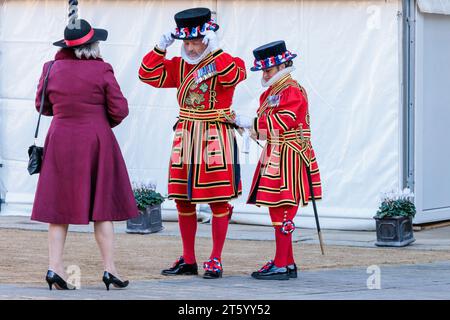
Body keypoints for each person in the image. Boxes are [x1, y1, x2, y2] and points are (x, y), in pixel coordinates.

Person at [31, 2, 138, 290]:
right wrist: (98, 121)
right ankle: (109, 269)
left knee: (58, 208)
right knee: (101, 207)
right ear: (92, 46)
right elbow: (120, 109)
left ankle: (54, 268)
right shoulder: (102, 70)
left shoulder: (50, 68)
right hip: (96, 141)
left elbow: (43, 106)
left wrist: (67, 113)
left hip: (60, 140)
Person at [139, 7, 246, 279]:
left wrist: (217, 51)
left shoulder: (229, 61)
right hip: (185, 134)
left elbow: (232, 77)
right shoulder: (179, 66)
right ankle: (188, 259)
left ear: (207, 39)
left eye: (195, 41)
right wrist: (160, 47)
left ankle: (215, 259)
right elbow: (147, 75)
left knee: (218, 200)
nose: (190, 47)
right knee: (183, 200)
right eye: (186, 42)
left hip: (215, 135)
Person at [235, 40, 322, 280]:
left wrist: (249, 123)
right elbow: (267, 127)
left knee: (282, 208)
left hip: (290, 153)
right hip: (276, 152)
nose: (264, 74)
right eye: (263, 70)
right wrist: (246, 126)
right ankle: (286, 262)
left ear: (283, 65)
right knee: (278, 207)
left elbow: (282, 122)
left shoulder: (292, 90)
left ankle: (282, 264)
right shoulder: (273, 91)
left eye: (268, 70)